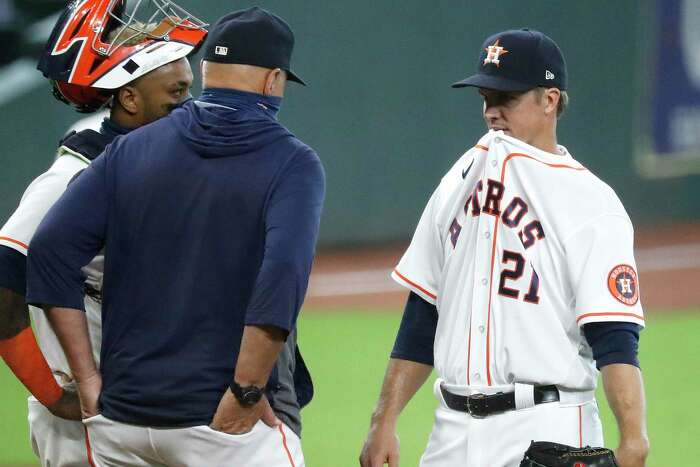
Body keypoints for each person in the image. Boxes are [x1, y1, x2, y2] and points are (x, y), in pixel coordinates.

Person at [26, 6, 324, 467]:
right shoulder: (292, 161)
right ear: (272, 81)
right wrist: (246, 390)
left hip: (120, 421)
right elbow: (282, 275)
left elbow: (48, 252)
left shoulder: (130, 148)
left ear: (205, 72)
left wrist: (87, 381)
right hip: (216, 423)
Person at [360, 29, 649, 467]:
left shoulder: (591, 201)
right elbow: (423, 313)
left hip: (547, 426)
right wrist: (383, 420)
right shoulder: (459, 180)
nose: (491, 112)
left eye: (506, 99)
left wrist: (633, 441)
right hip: (452, 430)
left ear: (550, 100)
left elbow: (614, 336)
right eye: (485, 98)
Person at [0, 1, 206, 465]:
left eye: (188, 87)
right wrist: (54, 395)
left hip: (152, 403)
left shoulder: (151, 153)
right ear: (130, 99)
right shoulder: (77, 172)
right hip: (91, 422)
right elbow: (3, 280)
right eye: (175, 90)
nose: (187, 102)